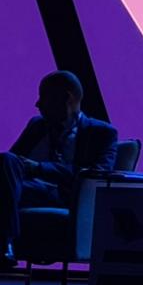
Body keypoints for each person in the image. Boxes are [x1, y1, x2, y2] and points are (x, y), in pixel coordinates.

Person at [1, 71, 117, 269]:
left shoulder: (101, 133)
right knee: (6, 161)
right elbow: (11, 165)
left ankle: (5, 244)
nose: (37, 104)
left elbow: (98, 174)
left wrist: (40, 168)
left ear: (66, 98)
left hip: (66, 195)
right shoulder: (37, 125)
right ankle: (5, 244)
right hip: (27, 190)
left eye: (44, 97)